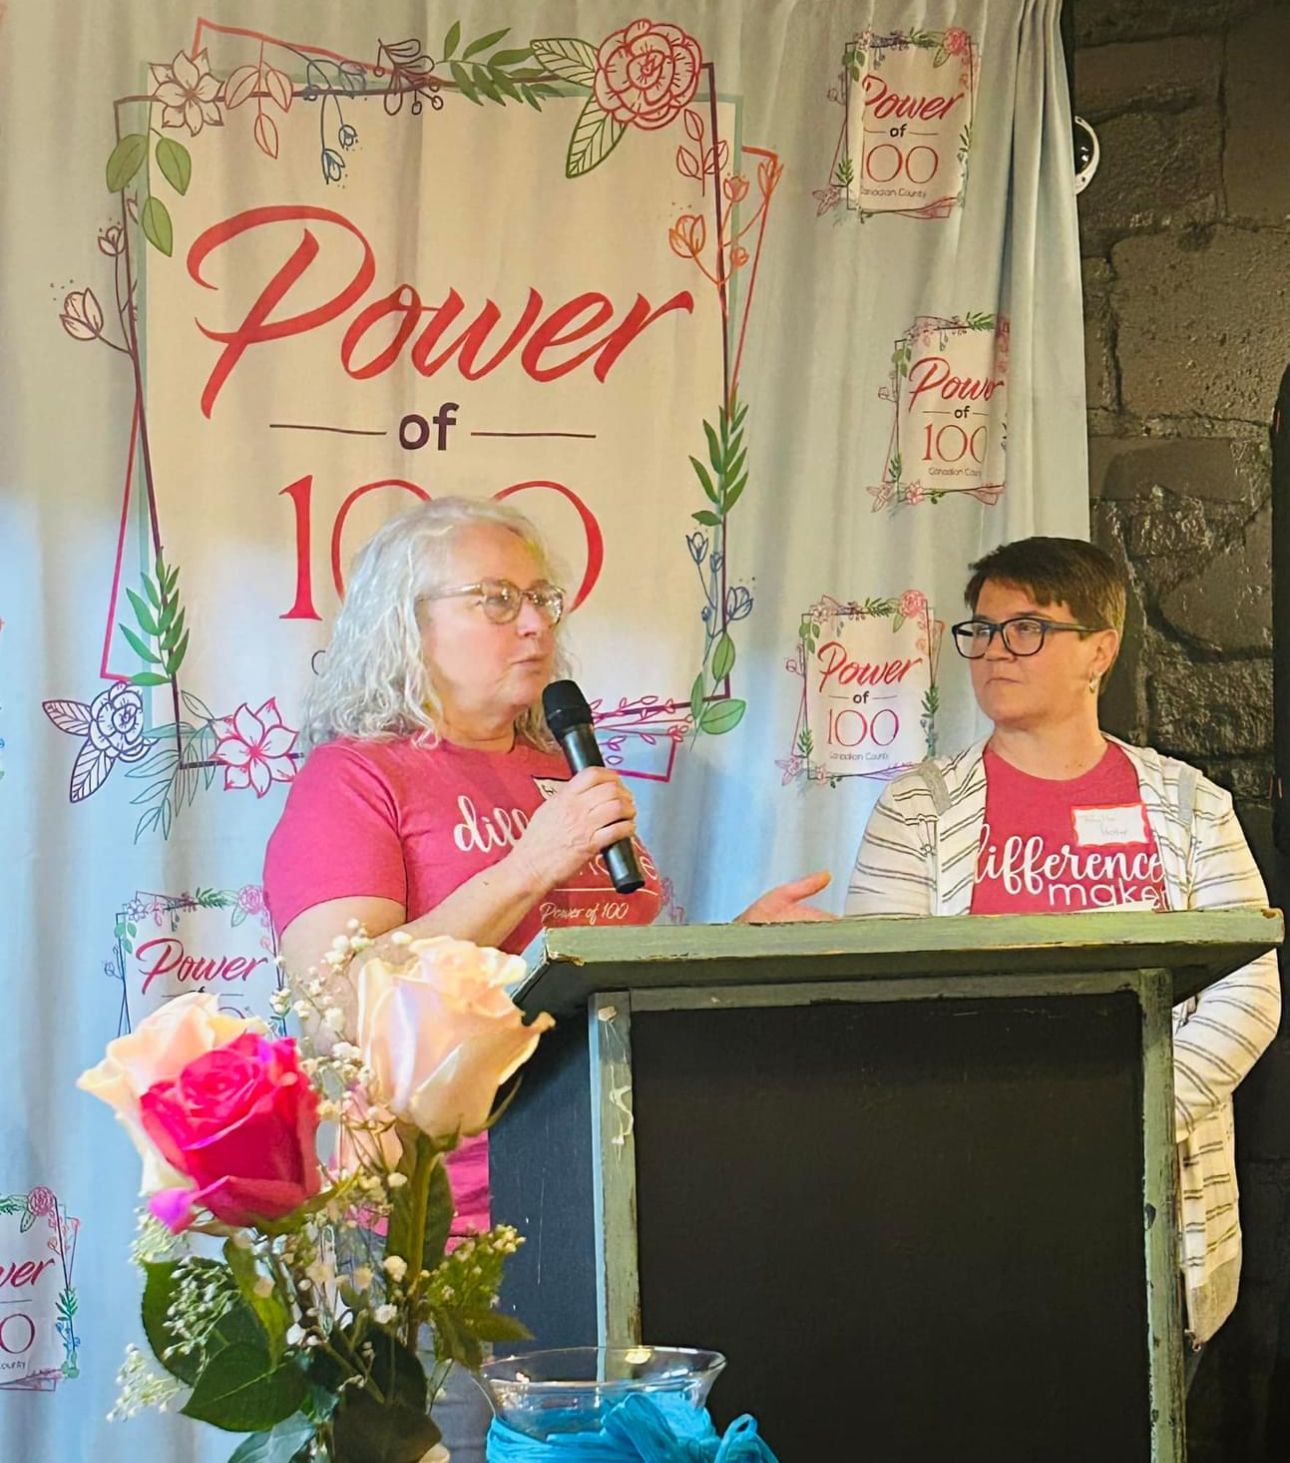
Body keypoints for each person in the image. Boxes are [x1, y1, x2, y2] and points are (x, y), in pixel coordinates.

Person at [264, 497, 828, 1458]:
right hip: (443, 1243)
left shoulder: (563, 773)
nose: (535, 622)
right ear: (410, 622)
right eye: (496, 599)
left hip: (621, 1204)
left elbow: (603, 972)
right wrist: (529, 861)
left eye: (541, 597)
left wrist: (737, 943)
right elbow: (342, 1001)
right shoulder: (359, 779)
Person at [845, 536, 1280, 1371]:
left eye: (1027, 628)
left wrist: (1127, 1115)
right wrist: (1014, 1127)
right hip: (967, 1194)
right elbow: (880, 991)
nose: (996, 651)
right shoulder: (916, 810)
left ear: (1100, 650)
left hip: (1153, 1200)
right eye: (982, 630)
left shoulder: (1190, 805)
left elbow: (1248, 990)